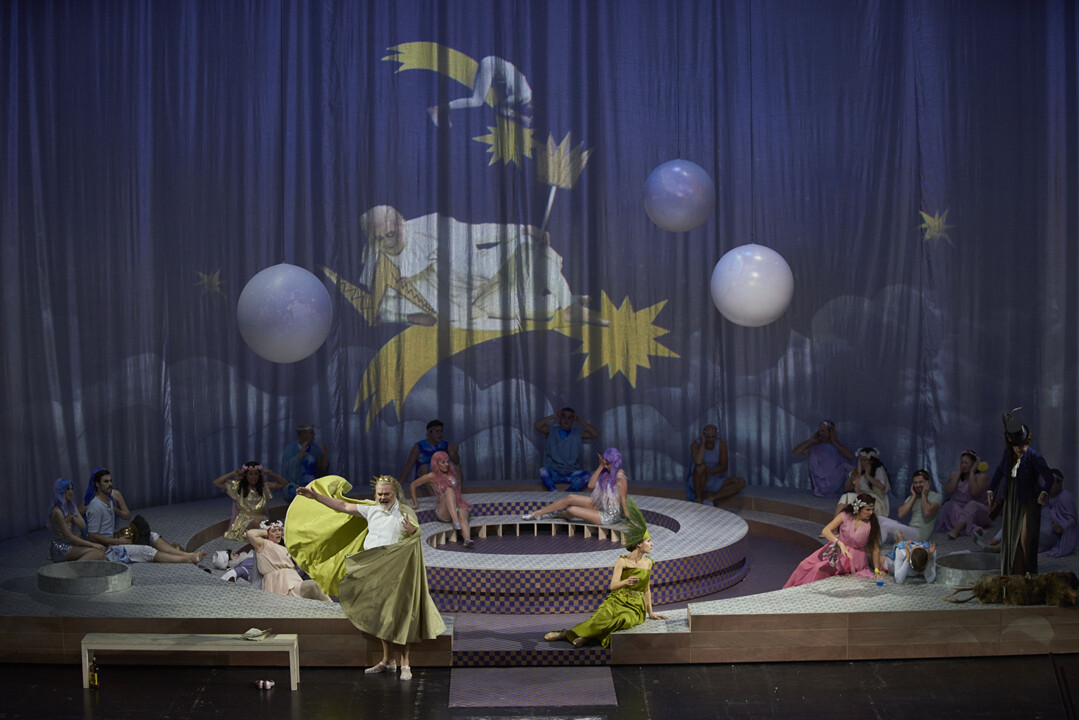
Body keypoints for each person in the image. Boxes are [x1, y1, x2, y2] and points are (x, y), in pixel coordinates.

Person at [294, 476, 446, 681]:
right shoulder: (371, 509)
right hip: (372, 570)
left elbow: (415, 538)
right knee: (379, 615)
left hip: (397, 572)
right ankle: (388, 660)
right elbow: (343, 506)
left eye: (386, 494)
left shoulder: (405, 512)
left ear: (395, 494)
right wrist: (316, 497)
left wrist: (412, 531)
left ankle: (405, 664)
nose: (382, 498)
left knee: (402, 616)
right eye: (379, 494)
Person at [357, 205, 604, 330]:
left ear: (402, 222)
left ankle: (570, 306)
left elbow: (478, 232)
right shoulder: (378, 265)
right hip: (473, 306)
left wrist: (524, 228)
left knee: (528, 244)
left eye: (391, 233)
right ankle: (564, 299)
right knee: (546, 309)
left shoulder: (430, 226)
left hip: (486, 272)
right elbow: (383, 308)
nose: (388, 242)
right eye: (380, 239)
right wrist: (410, 316)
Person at [543, 498, 666, 648]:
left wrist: (650, 613)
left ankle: (586, 637)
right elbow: (613, 586)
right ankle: (566, 634)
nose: (652, 544)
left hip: (635, 608)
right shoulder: (622, 561)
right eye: (649, 541)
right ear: (639, 544)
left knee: (622, 620)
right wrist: (626, 582)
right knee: (598, 619)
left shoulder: (648, 563)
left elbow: (646, 589)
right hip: (617, 600)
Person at [84, 468, 204, 564]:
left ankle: (186, 554)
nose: (110, 484)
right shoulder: (95, 506)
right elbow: (93, 536)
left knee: (152, 535)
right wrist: (116, 541)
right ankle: (187, 559)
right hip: (109, 550)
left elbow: (117, 521)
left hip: (115, 541)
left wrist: (118, 536)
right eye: (106, 482)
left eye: (110, 481)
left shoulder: (108, 501)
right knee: (146, 551)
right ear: (97, 484)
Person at [987, 412, 1054, 575]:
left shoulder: (1034, 457)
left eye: (1021, 445)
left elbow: (1049, 476)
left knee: (1026, 539)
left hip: (1029, 500)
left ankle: (1029, 573)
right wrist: (991, 489)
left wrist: (1044, 491)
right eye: (1015, 445)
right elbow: (999, 471)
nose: (1018, 448)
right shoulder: (1008, 455)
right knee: (1012, 539)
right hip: (1012, 499)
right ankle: (1016, 573)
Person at [784, 493, 882, 588]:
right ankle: (790, 589)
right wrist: (839, 543)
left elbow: (876, 549)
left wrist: (877, 570)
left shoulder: (872, 523)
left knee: (818, 569)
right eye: (867, 510)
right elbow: (825, 530)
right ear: (858, 508)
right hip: (836, 549)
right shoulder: (845, 515)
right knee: (804, 565)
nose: (871, 513)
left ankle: (805, 591)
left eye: (872, 510)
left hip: (852, 558)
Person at [522, 448, 628, 525]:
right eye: (605, 463)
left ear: (615, 463)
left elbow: (623, 500)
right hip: (601, 506)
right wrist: (600, 466)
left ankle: (559, 514)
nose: (605, 466)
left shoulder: (620, 478)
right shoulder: (604, 473)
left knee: (572, 510)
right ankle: (538, 513)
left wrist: (629, 520)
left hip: (610, 515)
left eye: (607, 464)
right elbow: (590, 485)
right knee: (570, 498)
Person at [427, 55, 534, 128]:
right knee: (477, 101)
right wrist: (522, 118)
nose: (529, 110)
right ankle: (438, 109)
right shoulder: (525, 96)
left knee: (477, 100)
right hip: (491, 65)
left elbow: (501, 108)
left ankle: (440, 108)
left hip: (490, 63)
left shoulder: (524, 91)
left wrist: (520, 117)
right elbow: (500, 106)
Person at [245, 520, 330, 601]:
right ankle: (334, 608)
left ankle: (333, 608)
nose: (278, 533)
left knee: (318, 589)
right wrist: (266, 531)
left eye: (279, 530)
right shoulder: (263, 545)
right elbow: (250, 533)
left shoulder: (286, 548)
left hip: (293, 580)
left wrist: (283, 533)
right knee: (314, 586)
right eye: (274, 531)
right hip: (279, 583)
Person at [410, 450, 474, 548]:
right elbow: (413, 485)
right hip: (443, 511)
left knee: (462, 513)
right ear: (436, 463)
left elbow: (458, 490)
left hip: (457, 505)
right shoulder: (432, 476)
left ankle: (467, 540)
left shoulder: (452, 473)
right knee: (449, 490)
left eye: (447, 461)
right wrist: (415, 503)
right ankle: (455, 521)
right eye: (443, 462)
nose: (446, 464)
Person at [213, 462, 288, 541]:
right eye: (250, 474)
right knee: (257, 523)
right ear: (246, 475)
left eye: (256, 474)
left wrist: (272, 474)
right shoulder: (238, 487)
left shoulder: (263, 487)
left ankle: (271, 535)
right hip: (245, 521)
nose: (253, 477)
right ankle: (270, 535)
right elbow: (216, 483)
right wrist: (232, 473)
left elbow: (284, 483)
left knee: (273, 526)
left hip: (262, 519)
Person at [534, 408, 600, 491]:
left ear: (573, 420)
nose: (566, 420)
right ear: (560, 418)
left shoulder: (577, 433)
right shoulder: (551, 430)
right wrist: (552, 417)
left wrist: (581, 421)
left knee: (588, 475)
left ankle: (568, 492)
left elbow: (595, 434)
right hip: (554, 473)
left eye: (569, 418)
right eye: (564, 417)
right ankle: (554, 492)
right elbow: (537, 425)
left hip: (571, 474)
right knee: (543, 471)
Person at [48, 478, 106, 562]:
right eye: (68, 489)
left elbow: (83, 526)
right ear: (60, 491)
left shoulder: (71, 506)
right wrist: (93, 545)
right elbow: (70, 537)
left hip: (70, 544)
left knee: (100, 553)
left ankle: (77, 565)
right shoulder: (57, 512)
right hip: (60, 548)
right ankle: (72, 568)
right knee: (97, 553)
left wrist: (73, 518)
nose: (71, 492)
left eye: (72, 489)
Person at [686, 424, 746, 505]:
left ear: (716, 436)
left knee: (741, 482)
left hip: (714, 480)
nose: (710, 440)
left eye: (713, 437)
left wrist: (709, 471)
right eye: (707, 437)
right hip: (697, 481)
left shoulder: (721, 445)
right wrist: (703, 443)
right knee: (700, 468)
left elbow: (724, 467)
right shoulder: (695, 444)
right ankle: (698, 499)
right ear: (703, 436)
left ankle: (711, 499)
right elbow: (698, 461)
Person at [937, 451, 991, 539]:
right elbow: (949, 491)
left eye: (966, 463)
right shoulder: (954, 475)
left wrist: (972, 473)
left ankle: (957, 529)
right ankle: (973, 529)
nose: (963, 465)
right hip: (959, 511)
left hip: (977, 512)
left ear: (974, 464)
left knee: (972, 504)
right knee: (948, 505)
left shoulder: (982, 477)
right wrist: (959, 473)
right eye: (962, 463)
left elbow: (973, 493)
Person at [792, 420, 855, 497]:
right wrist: (811, 440)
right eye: (819, 431)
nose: (820, 434)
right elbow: (795, 452)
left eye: (823, 431)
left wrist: (835, 442)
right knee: (846, 468)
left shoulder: (838, 445)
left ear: (831, 432)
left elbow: (850, 456)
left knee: (851, 471)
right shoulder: (817, 447)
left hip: (837, 483)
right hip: (824, 485)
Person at [399, 420, 461, 487]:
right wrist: (399, 484)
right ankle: (432, 493)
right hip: (425, 478)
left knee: (457, 467)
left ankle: (457, 491)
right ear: (429, 433)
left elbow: (456, 462)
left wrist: (454, 453)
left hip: (442, 476)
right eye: (437, 431)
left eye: (441, 431)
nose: (440, 434)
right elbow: (409, 465)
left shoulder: (445, 445)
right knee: (424, 468)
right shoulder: (420, 446)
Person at [280, 423, 329, 501]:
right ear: (303, 434)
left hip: (313, 485)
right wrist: (299, 456)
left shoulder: (315, 449)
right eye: (311, 432)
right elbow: (286, 470)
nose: (314, 434)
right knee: (291, 490)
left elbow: (322, 471)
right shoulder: (290, 448)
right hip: (297, 485)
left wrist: (325, 456)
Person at [838, 448, 890, 519]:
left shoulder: (878, 470)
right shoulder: (859, 471)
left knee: (860, 501)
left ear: (871, 461)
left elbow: (882, 487)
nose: (862, 463)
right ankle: (835, 524)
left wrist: (868, 475)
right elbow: (847, 488)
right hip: (862, 497)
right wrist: (854, 476)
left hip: (877, 500)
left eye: (864, 460)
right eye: (861, 460)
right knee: (845, 497)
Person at [894, 469, 942, 542]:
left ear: (927, 482)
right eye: (915, 483)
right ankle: (904, 545)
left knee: (896, 532)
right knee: (891, 527)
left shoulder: (936, 496)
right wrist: (913, 496)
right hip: (911, 530)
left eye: (920, 482)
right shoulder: (911, 498)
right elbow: (901, 514)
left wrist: (924, 494)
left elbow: (927, 513)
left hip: (921, 534)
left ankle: (904, 545)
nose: (918, 485)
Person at [1039, 469, 1076, 557]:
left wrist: (1062, 526)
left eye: (1052, 482)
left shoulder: (1065, 497)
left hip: (1054, 534)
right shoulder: (1045, 496)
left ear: (1060, 483)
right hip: (1043, 531)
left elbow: (1072, 520)